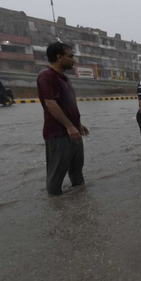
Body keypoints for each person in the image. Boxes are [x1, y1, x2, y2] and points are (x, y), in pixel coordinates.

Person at [37, 42, 89, 196]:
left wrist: (78, 125)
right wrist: (69, 126)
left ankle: (80, 202)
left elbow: (68, 104)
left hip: (73, 132)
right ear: (59, 57)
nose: (74, 60)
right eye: (70, 56)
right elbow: (50, 104)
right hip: (59, 134)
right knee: (56, 175)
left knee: (77, 171)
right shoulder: (46, 76)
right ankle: (56, 205)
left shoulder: (65, 79)